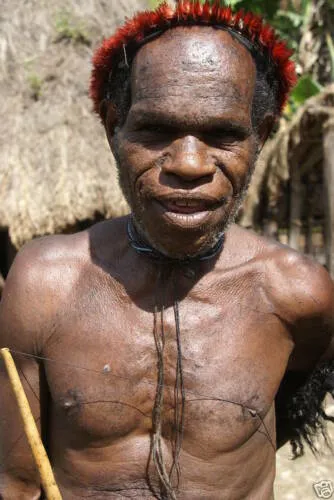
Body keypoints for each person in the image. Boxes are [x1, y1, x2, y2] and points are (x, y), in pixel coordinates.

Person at [1, 1, 333, 499]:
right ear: (114, 126)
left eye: (223, 135)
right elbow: (17, 480)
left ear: (260, 136)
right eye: (156, 130)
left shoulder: (298, 294)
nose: (190, 164)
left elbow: (284, 410)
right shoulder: (44, 283)